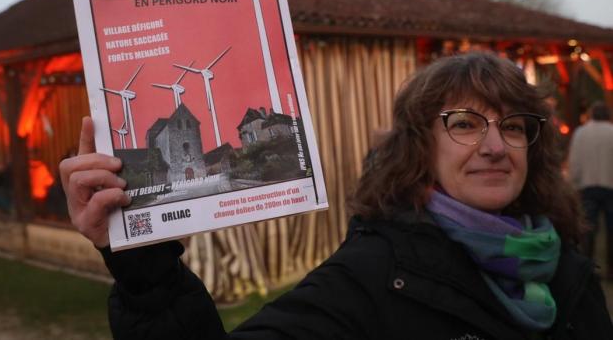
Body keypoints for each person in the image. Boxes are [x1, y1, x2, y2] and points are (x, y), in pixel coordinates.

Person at [60, 52, 612, 339]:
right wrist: (146, 267)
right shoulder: (372, 276)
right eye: (465, 124)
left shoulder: (568, 270)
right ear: (421, 146)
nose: (495, 145)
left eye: (513, 126)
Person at [568, 101, 613, 275]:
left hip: (587, 186)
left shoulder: (581, 133)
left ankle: (588, 267)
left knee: (588, 229)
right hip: (610, 186)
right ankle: (611, 268)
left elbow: (575, 162)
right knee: (611, 230)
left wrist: (573, 183)